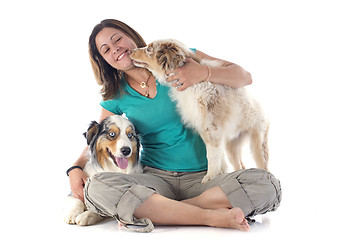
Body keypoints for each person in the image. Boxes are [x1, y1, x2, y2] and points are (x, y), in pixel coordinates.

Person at [67, 19, 281, 232]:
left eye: (118, 39)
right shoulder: (116, 94)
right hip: (155, 179)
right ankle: (210, 216)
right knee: (97, 187)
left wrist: (203, 73)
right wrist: (75, 168)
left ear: (130, 35)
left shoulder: (177, 57)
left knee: (267, 185)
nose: (116, 49)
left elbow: (244, 77)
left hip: (205, 179)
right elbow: (101, 140)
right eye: (106, 50)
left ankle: (164, 211)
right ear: (104, 60)